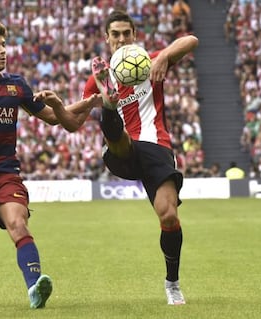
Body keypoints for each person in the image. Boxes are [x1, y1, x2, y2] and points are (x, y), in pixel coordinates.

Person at [0, 21, 102, 308]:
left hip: (4, 173)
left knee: (17, 223)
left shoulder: (16, 85)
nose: (3, 51)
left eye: (3, 44)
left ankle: (34, 288)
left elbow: (52, 117)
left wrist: (86, 103)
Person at [83, 10, 199, 305]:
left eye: (126, 33)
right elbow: (74, 121)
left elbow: (191, 40)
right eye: (116, 34)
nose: (122, 39)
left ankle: (172, 283)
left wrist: (163, 58)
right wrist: (58, 109)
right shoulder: (95, 77)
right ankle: (110, 103)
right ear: (107, 39)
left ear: (134, 35)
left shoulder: (150, 61)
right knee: (117, 133)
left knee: (169, 216)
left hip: (156, 145)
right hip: (121, 147)